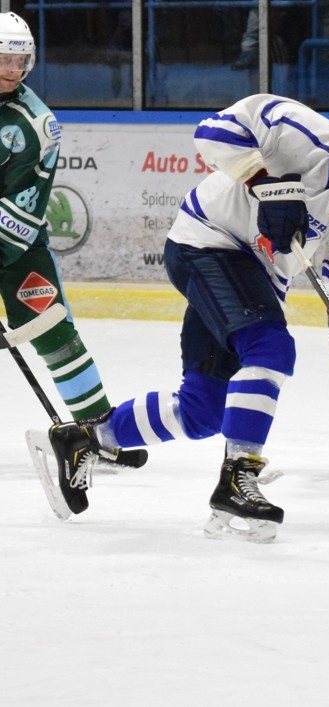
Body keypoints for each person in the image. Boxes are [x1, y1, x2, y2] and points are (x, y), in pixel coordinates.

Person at [44, 87, 329, 543]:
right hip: (207, 240)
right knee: (271, 348)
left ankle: (86, 438)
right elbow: (212, 132)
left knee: (203, 411)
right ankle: (239, 478)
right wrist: (264, 182)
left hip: (256, 276)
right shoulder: (292, 126)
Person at [0, 12, 145, 469]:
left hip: (16, 248)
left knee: (56, 335)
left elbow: (21, 211)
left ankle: (98, 430)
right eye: (4, 59)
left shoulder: (35, 125)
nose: (13, 69)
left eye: (20, 60)